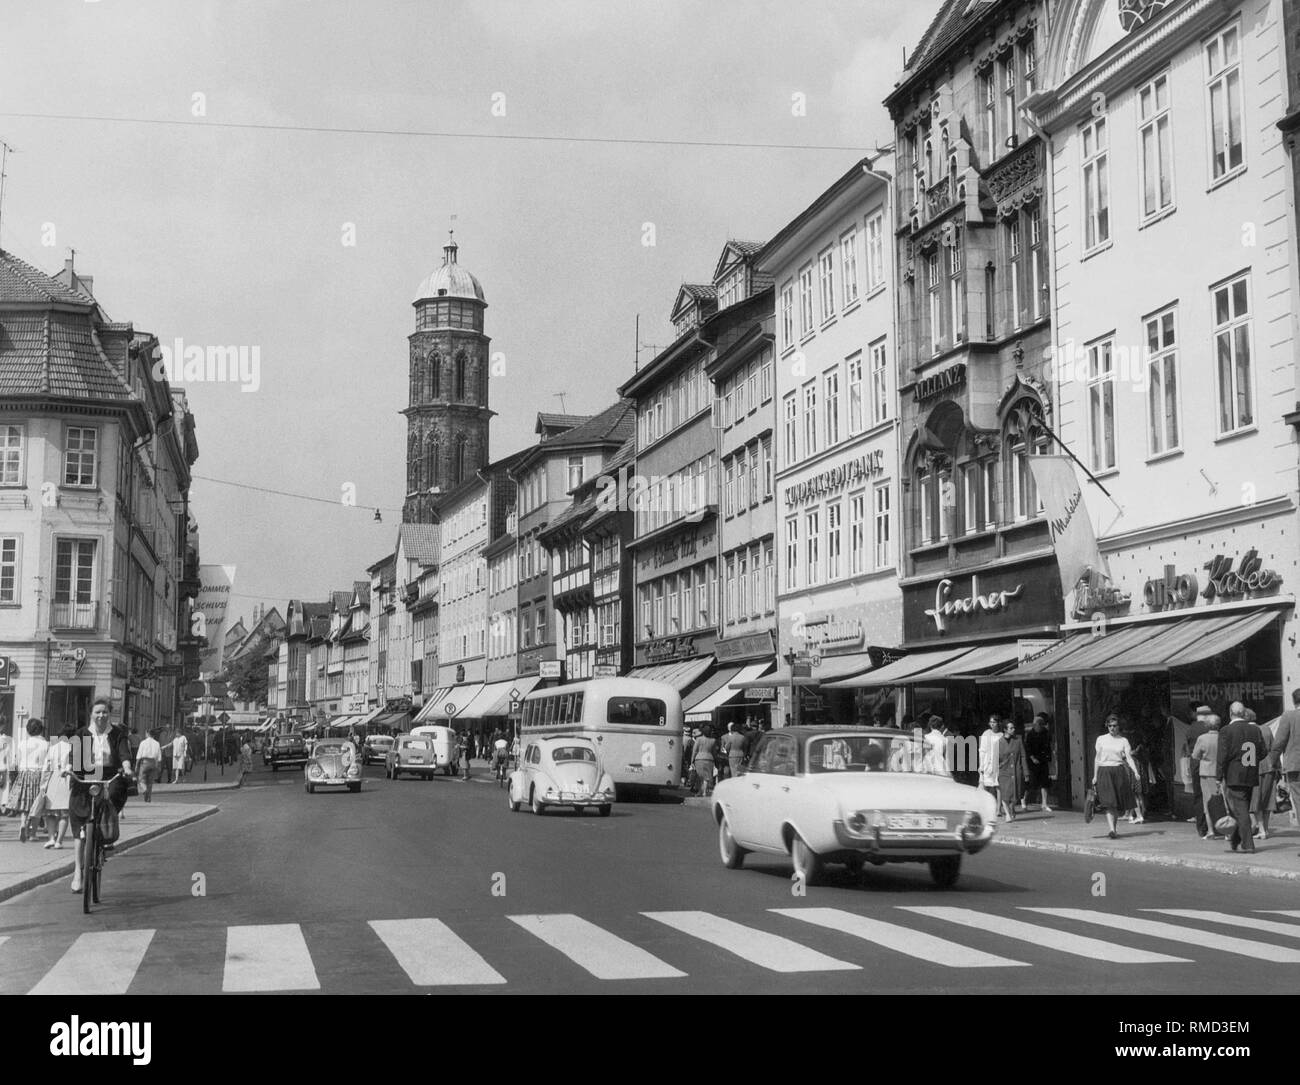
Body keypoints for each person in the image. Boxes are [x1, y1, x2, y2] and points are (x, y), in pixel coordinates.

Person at [67, 697, 134, 894]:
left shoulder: (117, 734)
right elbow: (74, 756)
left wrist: (127, 767)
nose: (101, 715)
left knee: (113, 793)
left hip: (110, 775)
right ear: (91, 714)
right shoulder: (82, 734)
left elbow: (124, 754)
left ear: (109, 714)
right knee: (79, 820)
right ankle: (77, 872)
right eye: (98, 712)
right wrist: (68, 768)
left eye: (105, 712)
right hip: (85, 775)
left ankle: (105, 830)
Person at [1217, 702, 1269, 855]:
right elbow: (1263, 751)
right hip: (1250, 774)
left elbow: (1222, 755)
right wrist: (1251, 762)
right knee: (1239, 809)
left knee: (1241, 810)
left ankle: (1248, 844)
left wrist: (1218, 776)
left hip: (1234, 774)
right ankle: (1235, 839)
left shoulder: (1226, 730)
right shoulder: (1255, 729)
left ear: (1230, 713)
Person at [1093, 714, 1141, 840]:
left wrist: (1135, 771)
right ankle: (1112, 830)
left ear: (1119, 727)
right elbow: (1097, 759)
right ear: (1107, 726)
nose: (1112, 728)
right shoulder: (1101, 739)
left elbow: (1129, 758)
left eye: (1114, 726)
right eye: (1110, 726)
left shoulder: (1123, 741)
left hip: (1118, 771)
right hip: (1104, 771)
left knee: (1115, 803)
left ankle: (1114, 828)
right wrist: (1094, 776)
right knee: (1109, 802)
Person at [9, 719, 49, 840]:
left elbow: (17, 761)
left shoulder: (22, 743)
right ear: (41, 730)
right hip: (38, 774)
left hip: (24, 773)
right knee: (38, 805)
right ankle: (32, 834)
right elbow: (47, 762)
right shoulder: (46, 744)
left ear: (28, 730)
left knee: (25, 803)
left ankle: (22, 824)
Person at [1270, 689, 1300, 829]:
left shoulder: (1288, 716)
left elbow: (1279, 742)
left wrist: (1273, 762)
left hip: (1295, 765)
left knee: (1299, 800)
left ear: (1294, 701)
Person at [1190, 715, 1224, 839]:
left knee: (1208, 802)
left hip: (1206, 772)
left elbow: (1195, 755)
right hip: (1221, 772)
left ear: (1207, 725)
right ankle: (1226, 830)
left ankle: (1211, 831)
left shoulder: (1202, 738)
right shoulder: (1223, 736)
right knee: (1222, 801)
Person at [1181, 705, 1213, 836]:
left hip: (1195, 764)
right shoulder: (1209, 728)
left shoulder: (1190, 729)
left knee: (1198, 795)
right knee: (1211, 795)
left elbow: (1189, 748)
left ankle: (1201, 827)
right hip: (1210, 764)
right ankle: (1213, 824)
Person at [40, 726, 73, 849]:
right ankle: (59, 841)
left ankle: (51, 838)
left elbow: (46, 768)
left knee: (50, 813)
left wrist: (43, 785)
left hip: (53, 779)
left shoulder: (53, 748)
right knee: (64, 813)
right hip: (67, 780)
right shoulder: (73, 748)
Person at [1250, 710, 1278, 841]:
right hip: (1270, 766)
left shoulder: (1249, 730)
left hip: (1256, 768)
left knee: (1256, 800)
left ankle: (1261, 830)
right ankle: (1265, 828)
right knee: (1267, 800)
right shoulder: (1266, 729)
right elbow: (1274, 748)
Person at [1023, 714, 1053, 812]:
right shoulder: (1030, 734)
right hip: (1033, 762)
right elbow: (1028, 748)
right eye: (1039, 725)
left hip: (1043, 760)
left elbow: (1048, 745)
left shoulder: (1045, 733)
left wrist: (1048, 757)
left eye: (1042, 725)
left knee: (1044, 782)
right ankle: (1024, 801)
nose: (1041, 727)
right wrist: (1032, 758)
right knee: (1031, 783)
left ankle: (1044, 803)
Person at [998, 718, 1026, 822]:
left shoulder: (1018, 741)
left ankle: (1012, 807)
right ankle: (1007, 815)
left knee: (1016, 794)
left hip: (1016, 771)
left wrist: (1025, 772)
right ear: (1005, 730)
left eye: (1013, 727)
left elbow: (1023, 756)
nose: (1013, 729)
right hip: (1004, 771)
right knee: (1005, 794)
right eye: (1011, 728)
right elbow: (996, 758)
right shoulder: (999, 742)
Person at [978, 717, 1003, 818]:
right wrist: (981, 765)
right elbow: (982, 750)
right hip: (987, 762)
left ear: (998, 723)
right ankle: (983, 808)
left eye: (994, 722)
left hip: (997, 763)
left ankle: (998, 809)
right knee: (984, 785)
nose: (992, 724)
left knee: (998, 786)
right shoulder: (986, 733)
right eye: (991, 722)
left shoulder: (1001, 735)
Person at [135, 729, 162, 802]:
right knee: (150, 782)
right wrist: (158, 766)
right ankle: (148, 798)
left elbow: (139, 755)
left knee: (141, 780)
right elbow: (159, 757)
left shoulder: (143, 743)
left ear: (147, 734)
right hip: (153, 763)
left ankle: (144, 789)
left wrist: (137, 765)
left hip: (144, 762)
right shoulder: (157, 743)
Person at [691, 726, 718, 797]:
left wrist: (692, 760)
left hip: (699, 758)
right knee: (707, 776)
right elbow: (714, 752)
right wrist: (716, 760)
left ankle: (700, 791)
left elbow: (694, 750)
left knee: (700, 776)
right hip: (709, 759)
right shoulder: (713, 740)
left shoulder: (698, 739)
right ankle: (704, 792)